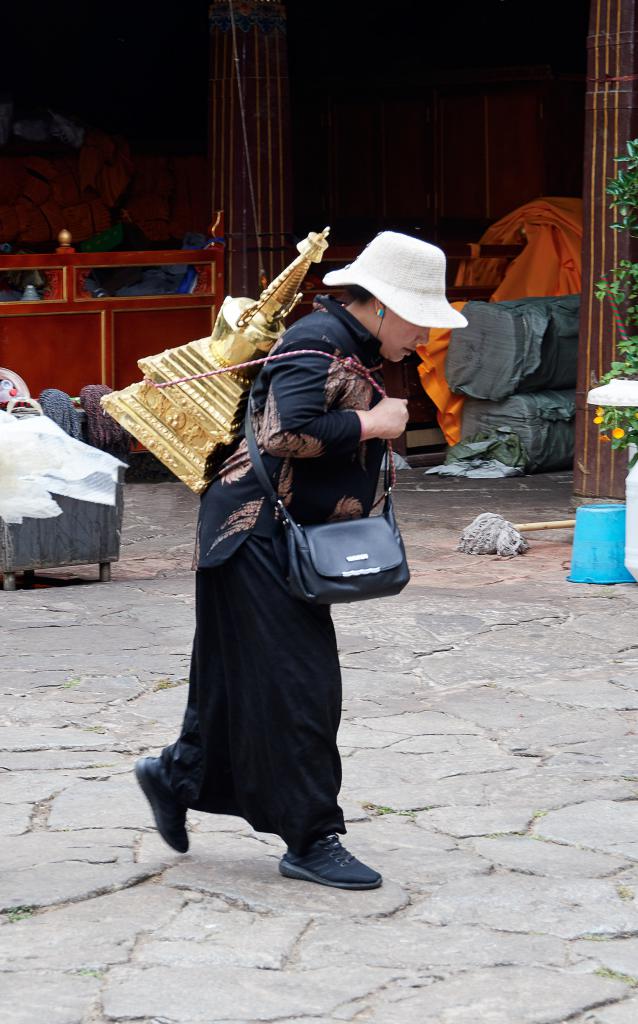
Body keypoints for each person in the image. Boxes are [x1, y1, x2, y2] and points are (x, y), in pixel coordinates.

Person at [135, 231, 467, 890]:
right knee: (302, 687)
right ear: (381, 305)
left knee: (234, 682)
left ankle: (175, 775)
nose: (426, 338)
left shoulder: (349, 343)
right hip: (253, 532)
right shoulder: (316, 342)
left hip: (253, 534)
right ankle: (312, 838)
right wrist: (376, 425)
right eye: (421, 319)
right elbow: (283, 433)